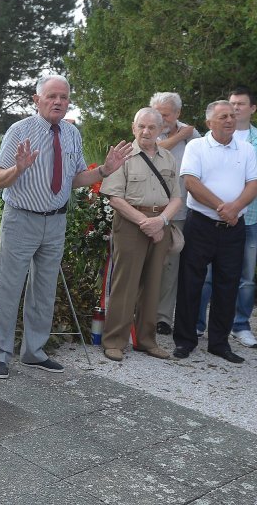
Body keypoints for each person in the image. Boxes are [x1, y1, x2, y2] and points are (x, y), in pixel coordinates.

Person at [0, 75, 132, 379]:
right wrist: (18, 168)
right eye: (51, 96)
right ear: (36, 100)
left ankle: (34, 352)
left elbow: (75, 179)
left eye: (63, 97)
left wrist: (104, 170)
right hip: (21, 219)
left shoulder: (72, 134)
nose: (58, 102)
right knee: (10, 288)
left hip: (55, 221)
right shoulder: (19, 131)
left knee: (45, 290)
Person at [172, 101, 257, 363]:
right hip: (201, 224)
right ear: (210, 122)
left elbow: (253, 183)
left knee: (228, 284)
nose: (230, 120)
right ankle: (185, 341)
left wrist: (235, 209)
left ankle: (219, 343)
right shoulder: (197, 147)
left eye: (232, 116)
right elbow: (190, 182)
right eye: (223, 116)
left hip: (233, 228)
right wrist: (223, 207)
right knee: (191, 283)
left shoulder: (246, 149)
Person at [100, 108, 182, 362]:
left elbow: (177, 198)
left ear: (161, 130)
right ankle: (114, 341)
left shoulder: (168, 158)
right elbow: (115, 197)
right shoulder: (122, 156)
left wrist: (161, 221)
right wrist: (144, 221)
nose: (146, 131)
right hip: (131, 224)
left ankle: (146, 340)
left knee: (154, 282)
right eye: (141, 126)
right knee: (125, 283)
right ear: (133, 128)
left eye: (152, 127)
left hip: (160, 224)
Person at [196, 88, 257, 346]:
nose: (236, 109)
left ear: (252, 108)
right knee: (206, 275)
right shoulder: (209, 140)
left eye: (241, 104)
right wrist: (225, 207)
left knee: (245, 279)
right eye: (231, 105)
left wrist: (237, 204)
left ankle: (240, 326)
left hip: (249, 217)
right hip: (214, 216)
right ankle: (199, 324)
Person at [150, 92, 201, 335]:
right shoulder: (150, 128)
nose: (161, 118)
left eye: (166, 114)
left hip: (178, 212)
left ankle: (162, 318)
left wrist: (186, 135)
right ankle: (141, 312)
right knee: (146, 262)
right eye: (158, 113)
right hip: (148, 210)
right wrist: (181, 134)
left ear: (178, 113)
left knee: (170, 265)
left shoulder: (194, 138)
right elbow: (154, 150)